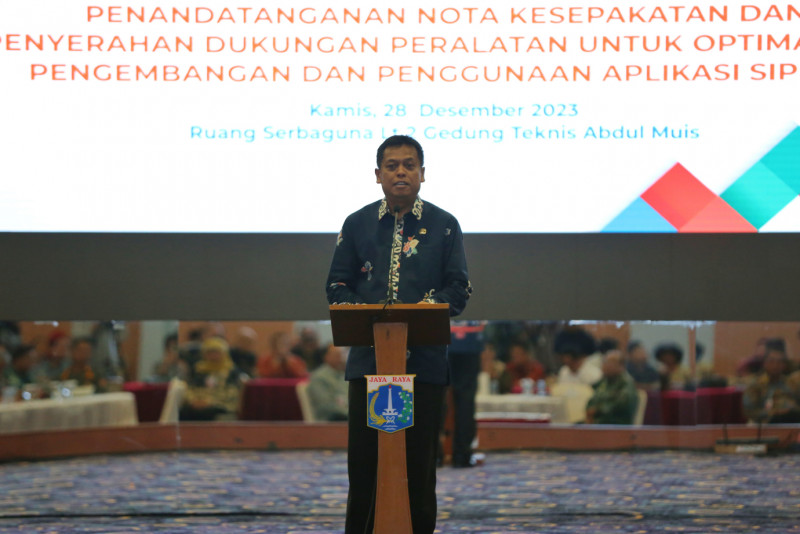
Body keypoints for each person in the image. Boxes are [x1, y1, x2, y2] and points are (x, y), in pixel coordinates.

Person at [326, 135, 471, 534]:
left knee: (418, 467)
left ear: (423, 173)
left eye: (410, 165)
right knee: (365, 466)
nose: (401, 172)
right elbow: (336, 286)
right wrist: (371, 317)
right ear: (378, 175)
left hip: (423, 366)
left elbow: (459, 289)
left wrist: (420, 312)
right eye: (392, 166)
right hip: (369, 365)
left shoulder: (444, 225)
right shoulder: (357, 224)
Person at [444, 320, 485, 468]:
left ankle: (434, 456)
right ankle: (462, 455)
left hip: (441, 338)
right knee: (465, 402)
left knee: (437, 397)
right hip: (470, 339)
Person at [180, 337, 243, 421]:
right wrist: (193, 401)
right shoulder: (199, 370)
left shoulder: (231, 371)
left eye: (216, 352)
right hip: (198, 403)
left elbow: (233, 393)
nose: (213, 356)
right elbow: (190, 388)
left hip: (220, 404)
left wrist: (210, 402)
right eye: (209, 352)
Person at [742, 346, 800, 423]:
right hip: (766, 423)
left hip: (793, 421)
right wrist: (775, 412)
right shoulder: (755, 385)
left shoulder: (792, 384)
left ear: (784, 365)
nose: (775, 365)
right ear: (764, 364)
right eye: (771, 361)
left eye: (779, 362)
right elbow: (749, 411)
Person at [585, 351, 639, 424]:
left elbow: (621, 405)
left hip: (617, 423)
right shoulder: (605, 381)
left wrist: (597, 410)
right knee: (576, 426)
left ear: (621, 366)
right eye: (604, 362)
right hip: (600, 421)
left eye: (609, 363)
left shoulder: (626, 383)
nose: (605, 365)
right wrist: (590, 409)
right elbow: (594, 398)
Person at [307, 344, 349, 421]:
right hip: (330, 420)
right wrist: (350, 412)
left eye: (342, 355)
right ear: (326, 357)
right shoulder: (319, 378)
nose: (341, 359)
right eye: (337, 355)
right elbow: (325, 405)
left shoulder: (343, 375)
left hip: (347, 417)